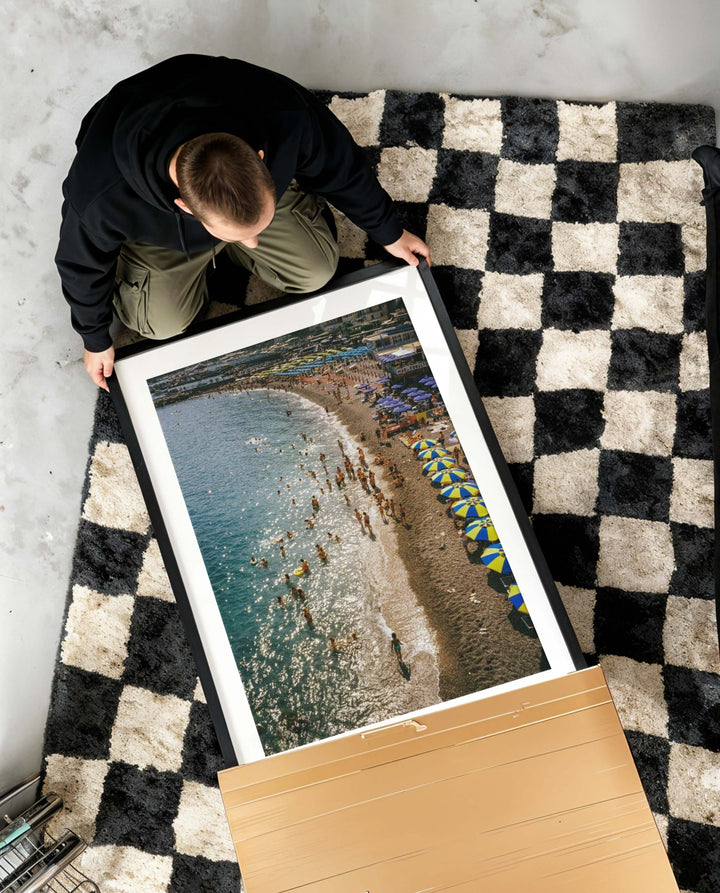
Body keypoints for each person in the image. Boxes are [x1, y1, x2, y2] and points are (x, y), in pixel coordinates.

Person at [56, 54, 432, 391]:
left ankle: (249, 220)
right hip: (158, 238)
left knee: (316, 271)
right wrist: (94, 338)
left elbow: (342, 166)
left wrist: (389, 230)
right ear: (185, 208)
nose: (252, 243)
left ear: (262, 158)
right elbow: (80, 263)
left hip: (237, 181)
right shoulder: (100, 194)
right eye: (240, 237)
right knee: (161, 325)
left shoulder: (284, 111)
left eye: (257, 230)